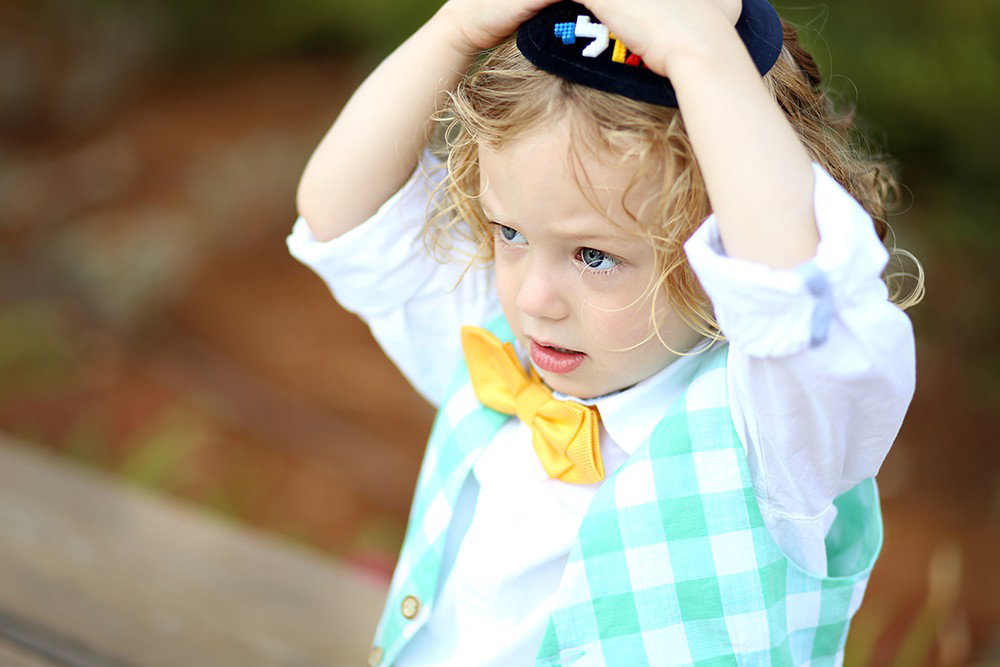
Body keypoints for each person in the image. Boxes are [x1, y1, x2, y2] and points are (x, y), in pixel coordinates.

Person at [289, 0, 923, 664]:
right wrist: (459, 26)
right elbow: (340, 216)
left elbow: (796, 292)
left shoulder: (775, 428)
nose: (534, 298)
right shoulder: (497, 330)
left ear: (721, 245)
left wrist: (700, 55)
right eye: (510, 233)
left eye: (595, 256)